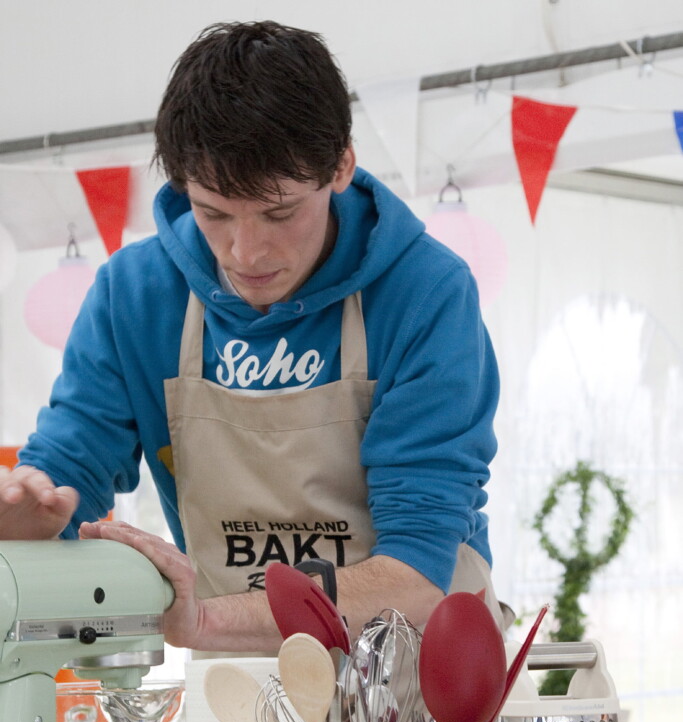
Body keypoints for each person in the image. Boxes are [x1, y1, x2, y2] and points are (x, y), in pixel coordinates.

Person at [0, 21, 502, 652]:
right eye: (213, 213)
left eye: (281, 212)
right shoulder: (134, 295)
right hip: (237, 673)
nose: (246, 252)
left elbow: (417, 575)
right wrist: (29, 516)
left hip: (416, 684)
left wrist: (210, 620)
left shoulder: (426, 293)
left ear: (341, 165)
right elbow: (66, 476)